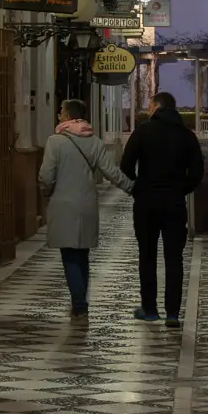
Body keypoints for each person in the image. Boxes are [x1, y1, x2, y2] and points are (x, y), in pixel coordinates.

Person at [39, 99, 133, 319]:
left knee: (69, 255)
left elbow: (46, 175)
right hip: (87, 204)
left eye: (61, 112)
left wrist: (46, 192)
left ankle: (79, 304)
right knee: (82, 254)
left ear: (68, 115)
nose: (58, 115)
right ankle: (81, 300)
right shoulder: (95, 142)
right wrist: (131, 187)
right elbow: (111, 172)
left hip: (63, 205)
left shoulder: (55, 142)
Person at [121, 91, 204, 328]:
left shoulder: (143, 132)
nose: (148, 109)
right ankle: (173, 314)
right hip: (174, 204)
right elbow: (197, 172)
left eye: (150, 105)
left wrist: (138, 186)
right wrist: (180, 189)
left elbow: (125, 164)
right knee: (174, 258)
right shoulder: (187, 136)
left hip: (146, 203)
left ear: (157, 106)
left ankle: (149, 309)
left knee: (147, 256)